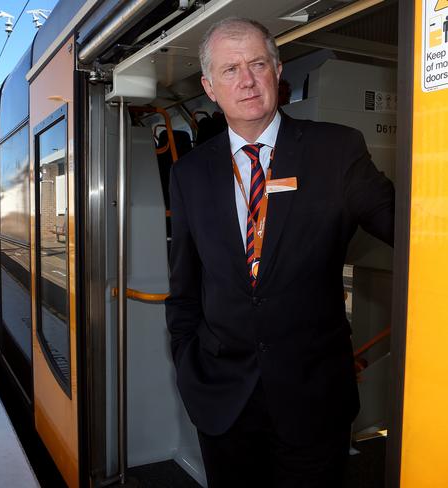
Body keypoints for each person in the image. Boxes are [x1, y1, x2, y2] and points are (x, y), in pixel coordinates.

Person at [165, 17, 394, 488]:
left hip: (313, 402)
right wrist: (191, 371)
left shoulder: (337, 151)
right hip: (222, 402)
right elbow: (184, 291)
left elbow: (410, 228)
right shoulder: (189, 175)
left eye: (256, 64)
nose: (246, 81)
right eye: (229, 70)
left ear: (277, 69)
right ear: (210, 86)